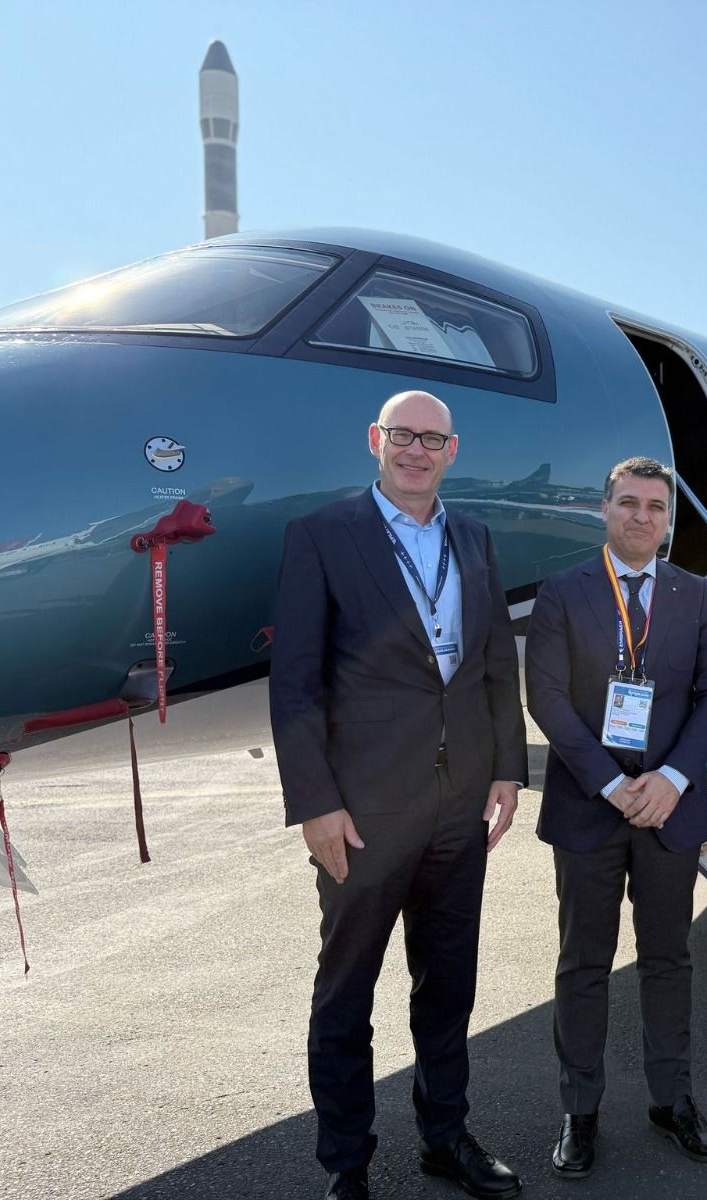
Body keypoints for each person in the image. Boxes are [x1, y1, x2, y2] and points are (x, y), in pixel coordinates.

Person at [270, 390, 528, 1200]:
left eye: (434, 439)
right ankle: (346, 1163)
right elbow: (296, 682)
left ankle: (443, 1138)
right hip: (364, 810)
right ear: (376, 440)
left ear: (454, 451)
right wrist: (315, 802)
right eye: (403, 436)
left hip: (459, 807)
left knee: (448, 987)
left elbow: (493, 662)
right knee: (346, 993)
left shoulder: (475, 539)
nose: (417, 450)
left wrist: (508, 770)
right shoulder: (322, 537)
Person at [525, 456, 707, 1177]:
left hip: (670, 810)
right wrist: (614, 786)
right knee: (584, 962)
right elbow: (546, 698)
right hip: (592, 807)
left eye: (655, 506)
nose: (641, 516)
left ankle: (671, 1099)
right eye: (628, 503)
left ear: (668, 519)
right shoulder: (563, 593)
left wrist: (672, 778)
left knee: (668, 958)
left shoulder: (694, 595)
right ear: (603, 509)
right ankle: (579, 1110)